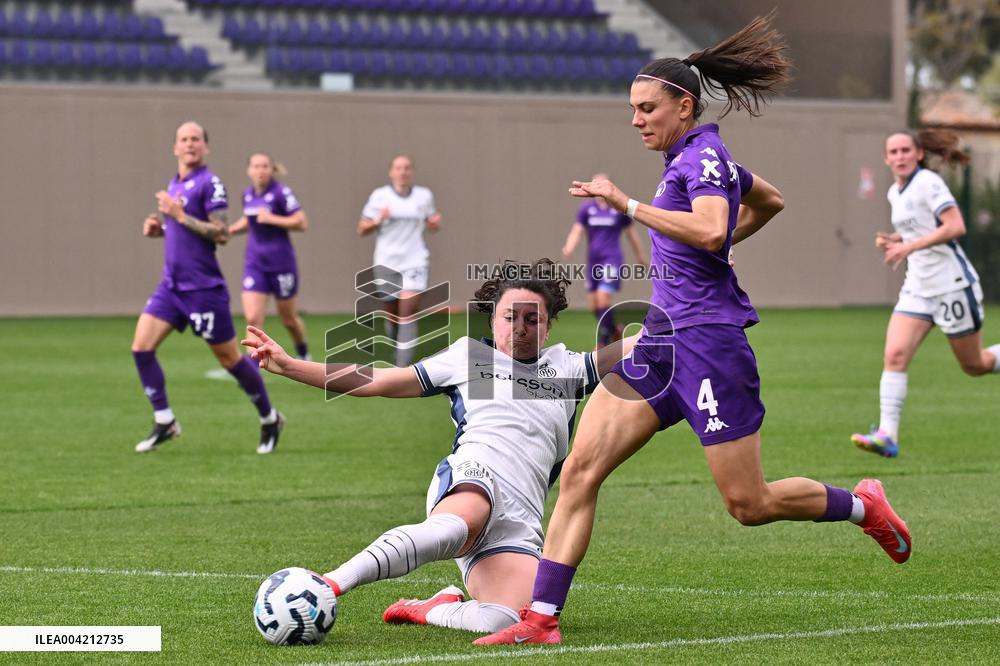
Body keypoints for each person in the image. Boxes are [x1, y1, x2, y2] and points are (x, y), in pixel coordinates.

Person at [477, 15, 912, 646]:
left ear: (684, 105)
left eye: (647, 108)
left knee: (749, 504)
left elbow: (710, 227)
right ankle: (541, 621)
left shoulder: (703, 157)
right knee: (579, 471)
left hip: (709, 345)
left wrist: (630, 205)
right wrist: (721, 242)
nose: (636, 119)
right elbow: (770, 201)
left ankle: (862, 505)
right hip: (659, 342)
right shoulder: (691, 158)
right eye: (632, 108)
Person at [242, 259, 637, 634]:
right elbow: (378, 381)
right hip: (473, 478)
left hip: (520, 519)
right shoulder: (469, 357)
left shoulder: (568, 369)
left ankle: (430, 608)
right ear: (492, 318)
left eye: (533, 319)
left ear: (549, 327)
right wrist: (291, 365)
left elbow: (644, 342)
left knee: (507, 619)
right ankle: (329, 583)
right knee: (460, 521)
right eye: (509, 317)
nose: (519, 328)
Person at [132, 122, 284, 455]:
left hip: (203, 289)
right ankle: (165, 420)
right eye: (184, 139)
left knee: (231, 360)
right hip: (171, 287)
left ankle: (270, 417)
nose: (190, 144)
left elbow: (222, 233)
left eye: (196, 139)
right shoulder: (175, 183)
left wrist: (179, 216)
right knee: (141, 347)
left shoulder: (210, 184)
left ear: (205, 147)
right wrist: (160, 227)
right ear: (175, 147)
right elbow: (182, 233)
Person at [851, 129, 1000, 457]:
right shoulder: (895, 192)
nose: (900, 156)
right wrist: (893, 240)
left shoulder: (929, 183)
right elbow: (916, 229)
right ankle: (887, 435)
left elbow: (955, 226)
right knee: (894, 356)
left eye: (906, 150)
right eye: (894, 151)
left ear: (919, 154)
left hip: (951, 285)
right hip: (918, 288)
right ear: (886, 158)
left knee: (974, 365)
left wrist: (908, 246)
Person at [358, 154, 442, 367]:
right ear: (391, 172)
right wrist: (379, 219)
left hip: (415, 259)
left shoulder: (424, 196)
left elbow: (431, 222)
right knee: (393, 313)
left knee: (408, 310)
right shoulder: (380, 196)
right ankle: (396, 342)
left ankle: (402, 366)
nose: (402, 172)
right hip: (387, 261)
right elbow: (362, 229)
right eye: (398, 168)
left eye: (406, 168)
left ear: (411, 171)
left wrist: (433, 224)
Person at [228, 153, 311, 360]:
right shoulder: (247, 194)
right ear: (249, 170)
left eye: (265, 166)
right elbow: (250, 220)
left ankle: (303, 351)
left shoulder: (282, 192)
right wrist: (229, 230)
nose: (260, 170)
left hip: (282, 264)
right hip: (255, 264)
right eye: (256, 166)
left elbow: (301, 222)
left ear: (272, 169)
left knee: (289, 319)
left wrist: (272, 218)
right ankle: (253, 366)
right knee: (253, 317)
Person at [561, 173, 648, 347]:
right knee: (594, 305)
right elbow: (577, 230)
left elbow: (632, 234)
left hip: (612, 259)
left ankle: (602, 343)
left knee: (603, 297)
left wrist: (640, 256)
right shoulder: (587, 209)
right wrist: (569, 245)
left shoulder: (618, 209)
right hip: (594, 261)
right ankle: (615, 330)